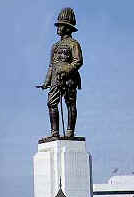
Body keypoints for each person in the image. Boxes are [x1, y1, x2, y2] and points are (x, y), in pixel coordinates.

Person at [43, 7, 83, 138]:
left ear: (67, 27)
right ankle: (54, 133)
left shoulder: (74, 44)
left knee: (70, 104)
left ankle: (70, 131)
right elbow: (51, 65)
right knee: (52, 103)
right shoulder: (54, 46)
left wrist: (66, 70)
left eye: (60, 26)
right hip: (55, 79)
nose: (58, 28)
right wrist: (47, 81)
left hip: (69, 79)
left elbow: (78, 61)